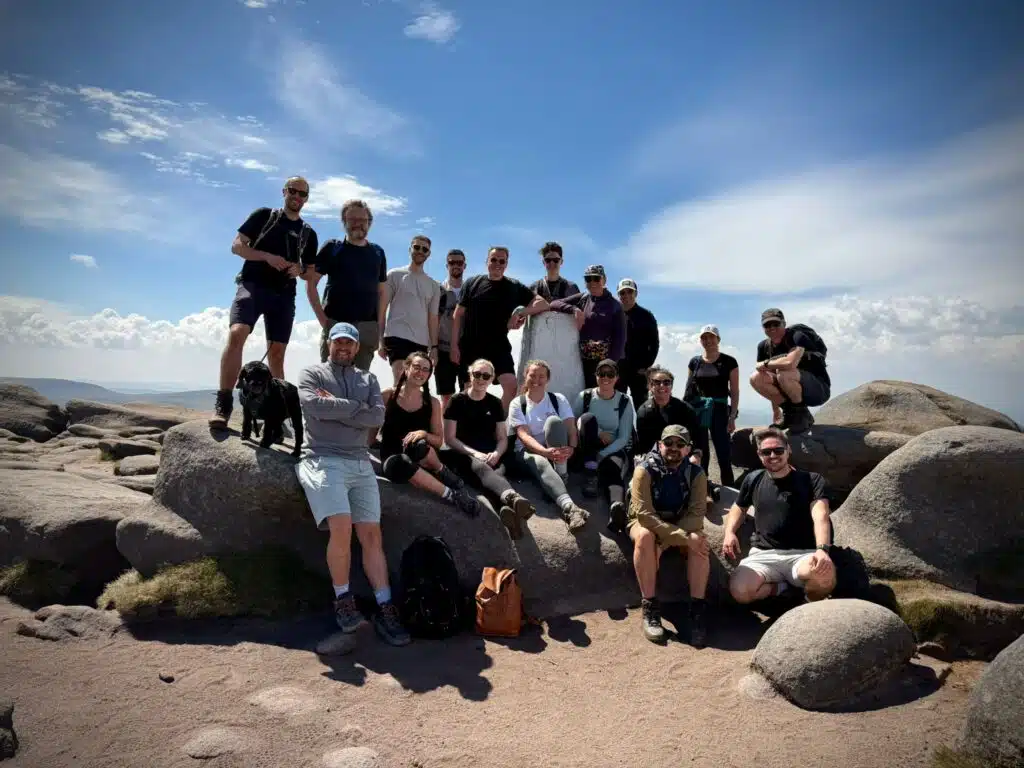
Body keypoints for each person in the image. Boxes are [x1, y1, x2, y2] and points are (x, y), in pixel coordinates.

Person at [294, 322, 410, 647]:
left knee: (372, 534)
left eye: (350, 343)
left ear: (358, 348)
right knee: (341, 526)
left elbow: (377, 418)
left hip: (359, 461)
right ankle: (343, 600)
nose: (344, 347)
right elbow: (313, 406)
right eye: (338, 342)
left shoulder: (368, 379)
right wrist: (356, 408)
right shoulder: (311, 375)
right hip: (322, 458)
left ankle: (385, 606)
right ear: (329, 344)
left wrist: (338, 408)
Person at [210, 176, 319, 427]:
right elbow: (237, 246)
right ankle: (224, 404)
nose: (297, 197)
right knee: (237, 333)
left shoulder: (308, 233)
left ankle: (276, 414)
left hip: (284, 294)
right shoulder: (264, 216)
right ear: (284, 191)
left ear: (307, 198)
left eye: (302, 194)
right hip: (253, 285)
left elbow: (310, 272)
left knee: (277, 355)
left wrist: (298, 269)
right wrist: (266, 257)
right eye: (293, 191)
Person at [721, 427, 836, 605]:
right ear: (759, 454)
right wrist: (729, 532)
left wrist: (822, 549)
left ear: (788, 450)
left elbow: (820, 515)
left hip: (803, 554)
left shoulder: (811, 480)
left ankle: (805, 604)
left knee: (824, 578)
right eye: (767, 452)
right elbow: (739, 507)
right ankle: (781, 589)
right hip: (764, 554)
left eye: (778, 450)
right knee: (740, 592)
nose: (773, 455)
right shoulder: (753, 479)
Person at [371, 352, 486, 518]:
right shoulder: (388, 395)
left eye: (426, 370)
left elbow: (439, 442)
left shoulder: (432, 403)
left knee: (419, 445)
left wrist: (423, 433)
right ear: (406, 367)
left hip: (422, 456)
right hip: (393, 457)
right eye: (416, 367)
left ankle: (444, 472)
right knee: (400, 462)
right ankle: (452, 495)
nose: (420, 372)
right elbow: (372, 429)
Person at [627, 425, 710, 647]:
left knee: (700, 543)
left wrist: (670, 539)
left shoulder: (696, 474)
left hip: (679, 520)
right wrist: (679, 537)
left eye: (680, 444)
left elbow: (696, 514)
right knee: (645, 537)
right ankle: (650, 607)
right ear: (659, 444)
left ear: (688, 449)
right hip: (646, 522)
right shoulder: (644, 471)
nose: (674, 448)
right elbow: (644, 515)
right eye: (669, 443)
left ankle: (697, 611)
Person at [441, 358, 537, 539]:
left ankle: (506, 512)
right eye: (477, 374)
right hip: (463, 453)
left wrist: (497, 453)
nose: (481, 378)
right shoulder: (456, 401)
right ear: (470, 374)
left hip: (490, 453)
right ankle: (512, 497)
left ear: (492, 378)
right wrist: (475, 453)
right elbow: (450, 439)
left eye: (486, 375)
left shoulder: (494, 403)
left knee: (496, 472)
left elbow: (502, 438)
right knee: (481, 468)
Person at [450, 246, 550, 413]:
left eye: (501, 261)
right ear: (487, 262)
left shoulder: (514, 286)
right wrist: (454, 346)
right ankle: (467, 430)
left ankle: (494, 424)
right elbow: (458, 315)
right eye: (494, 260)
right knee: (469, 391)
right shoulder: (472, 283)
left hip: (499, 346)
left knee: (511, 387)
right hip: (470, 346)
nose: (497, 264)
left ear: (506, 264)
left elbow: (543, 303)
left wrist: (520, 311)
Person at [506, 360, 590, 532]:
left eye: (541, 376)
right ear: (525, 376)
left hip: (556, 452)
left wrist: (572, 447)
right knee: (540, 462)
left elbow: (570, 427)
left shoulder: (558, 399)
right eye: (532, 375)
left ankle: (561, 475)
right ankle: (571, 508)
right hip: (527, 452)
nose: (537, 379)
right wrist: (544, 452)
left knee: (554, 422)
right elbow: (523, 435)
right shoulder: (517, 403)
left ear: (548, 379)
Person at [304, 199, 387, 371]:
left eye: (363, 220)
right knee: (331, 381)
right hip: (336, 324)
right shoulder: (333, 248)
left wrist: (378, 329)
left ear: (369, 223)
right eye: (353, 220)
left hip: (367, 328)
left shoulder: (378, 252)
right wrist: (324, 321)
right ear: (344, 222)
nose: (358, 224)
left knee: (360, 385)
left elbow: (382, 293)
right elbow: (311, 283)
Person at [572, 359, 636, 533]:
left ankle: (617, 507)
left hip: (613, 448)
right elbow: (574, 423)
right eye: (602, 373)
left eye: (610, 374)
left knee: (611, 469)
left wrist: (602, 455)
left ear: (617, 378)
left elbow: (623, 437)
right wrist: (599, 431)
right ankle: (590, 474)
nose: (605, 377)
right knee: (588, 419)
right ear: (596, 376)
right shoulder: (584, 396)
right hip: (587, 447)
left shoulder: (624, 401)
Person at [751, 308, 831, 434]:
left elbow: (790, 363)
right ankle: (791, 414)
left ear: (784, 323)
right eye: (767, 325)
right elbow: (768, 377)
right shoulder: (764, 347)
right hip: (790, 390)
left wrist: (766, 363)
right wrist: (776, 412)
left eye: (776, 324)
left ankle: (801, 417)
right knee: (756, 378)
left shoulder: (796, 336)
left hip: (818, 390)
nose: (772, 328)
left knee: (784, 373)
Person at [549, 265, 627, 388]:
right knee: (586, 398)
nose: (592, 282)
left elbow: (620, 340)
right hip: (583, 361)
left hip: (605, 363)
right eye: (588, 279)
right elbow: (553, 304)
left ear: (604, 280)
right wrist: (574, 309)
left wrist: (609, 367)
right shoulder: (583, 298)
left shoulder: (615, 305)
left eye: (596, 278)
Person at [377, 235, 442, 382]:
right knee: (400, 380)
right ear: (410, 249)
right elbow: (381, 310)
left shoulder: (433, 285)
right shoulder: (394, 275)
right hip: (397, 336)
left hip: (421, 342)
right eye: (417, 247)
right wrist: (380, 341)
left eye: (424, 249)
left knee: (415, 386)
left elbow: (433, 318)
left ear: (428, 254)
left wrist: (434, 347)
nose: (420, 251)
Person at [683, 324, 739, 488]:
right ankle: (703, 486)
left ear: (718, 339)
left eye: (711, 337)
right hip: (699, 409)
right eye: (704, 337)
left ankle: (730, 488)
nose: (708, 340)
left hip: (720, 409)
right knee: (701, 449)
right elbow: (689, 389)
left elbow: (734, 391)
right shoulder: (694, 362)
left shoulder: (729, 362)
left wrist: (732, 416)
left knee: (723, 450)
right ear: (700, 340)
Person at [634, 366, 700, 458]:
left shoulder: (685, 409)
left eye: (666, 382)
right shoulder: (644, 411)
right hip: (655, 455)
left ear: (671, 386)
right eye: (657, 382)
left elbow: (697, 436)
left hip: (682, 453)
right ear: (650, 386)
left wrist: (696, 454)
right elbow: (644, 443)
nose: (662, 386)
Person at [615, 278, 660, 411]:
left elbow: (654, 343)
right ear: (619, 295)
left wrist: (646, 365)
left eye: (630, 292)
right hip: (619, 369)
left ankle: (642, 431)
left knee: (641, 406)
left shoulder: (646, 316)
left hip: (639, 370)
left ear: (636, 294)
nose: (626, 296)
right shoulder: (615, 314)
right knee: (618, 405)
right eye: (623, 293)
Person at [435, 249, 468, 410]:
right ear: (446, 265)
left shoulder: (470, 291)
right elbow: (432, 320)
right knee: (446, 395)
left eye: (459, 263)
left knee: (468, 393)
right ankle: (445, 434)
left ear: (465, 266)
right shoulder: (437, 290)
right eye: (452, 262)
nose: (456, 266)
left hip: (466, 349)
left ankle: (464, 432)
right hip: (442, 348)